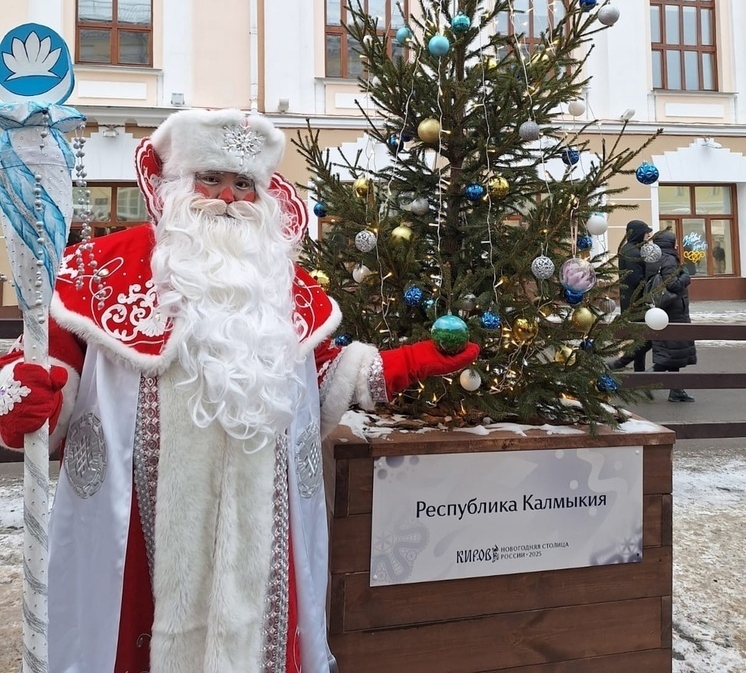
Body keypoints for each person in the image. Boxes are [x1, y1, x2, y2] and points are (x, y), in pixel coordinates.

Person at [0, 109, 478, 673]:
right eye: (210, 178)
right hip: (133, 530)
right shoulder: (99, 271)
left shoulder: (281, 283)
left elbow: (318, 381)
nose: (227, 196)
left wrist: (406, 363)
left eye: (244, 183)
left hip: (261, 527)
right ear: (176, 185)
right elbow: (49, 364)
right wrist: (25, 396)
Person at [645, 229, 696, 402]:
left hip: (666, 310)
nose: (676, 244)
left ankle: (676, 390)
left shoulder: (656, 259)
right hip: (674, 311)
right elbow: (673, 285)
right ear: (669, 243)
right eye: (674, 241)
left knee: (674, 352)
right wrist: (686, 277)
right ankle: (648, 379)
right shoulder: (669, 260)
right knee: (672, 352)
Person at [609, 219, 653, 371]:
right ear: (639, 233)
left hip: (631, 301)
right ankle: (620, 363)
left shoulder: (628, 249)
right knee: (647, 339)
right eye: (646, 232)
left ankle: (639, 371)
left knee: (639, 338)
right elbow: (636, 280)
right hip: (636, 303)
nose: (648, 235)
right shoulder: (633, 252)